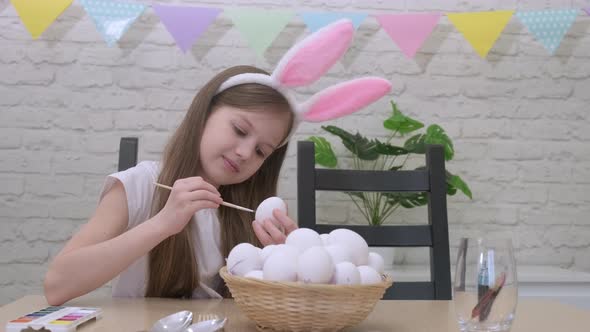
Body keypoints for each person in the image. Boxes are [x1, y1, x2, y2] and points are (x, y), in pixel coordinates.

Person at [43, 19, 392, 305]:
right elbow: (57, 285)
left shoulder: (249, 211)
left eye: (261, 151)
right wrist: (164, 222)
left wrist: (285, 262)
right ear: (204, 113)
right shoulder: (139, 185)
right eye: (239, 129)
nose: (244, 153)